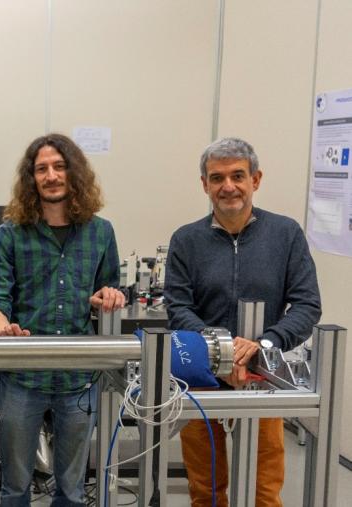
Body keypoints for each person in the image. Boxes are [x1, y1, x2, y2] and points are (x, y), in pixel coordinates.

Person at [165, 137, 321, 507]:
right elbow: (177, 308)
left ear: (256, 179)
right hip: (202, 378)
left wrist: (265, 344)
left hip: (263, 378)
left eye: (238, 175)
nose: (228, 186)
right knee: (205, 490)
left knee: (265, 492)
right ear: (205, 184)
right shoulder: (186, 240)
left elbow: (306, 304)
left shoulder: (285, 235)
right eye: (217, 178)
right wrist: (223, 350)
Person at [0, 133, 124, 507]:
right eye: (41, 168)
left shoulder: (101, 232)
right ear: (31, 178)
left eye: (59, 167)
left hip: (79, 377)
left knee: (73, 489)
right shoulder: (10, 234)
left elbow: (110, 288)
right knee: (15, 487)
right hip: (22, 377)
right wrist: (2, 328)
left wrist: (107, 298)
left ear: (73, 172)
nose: (51, 175)